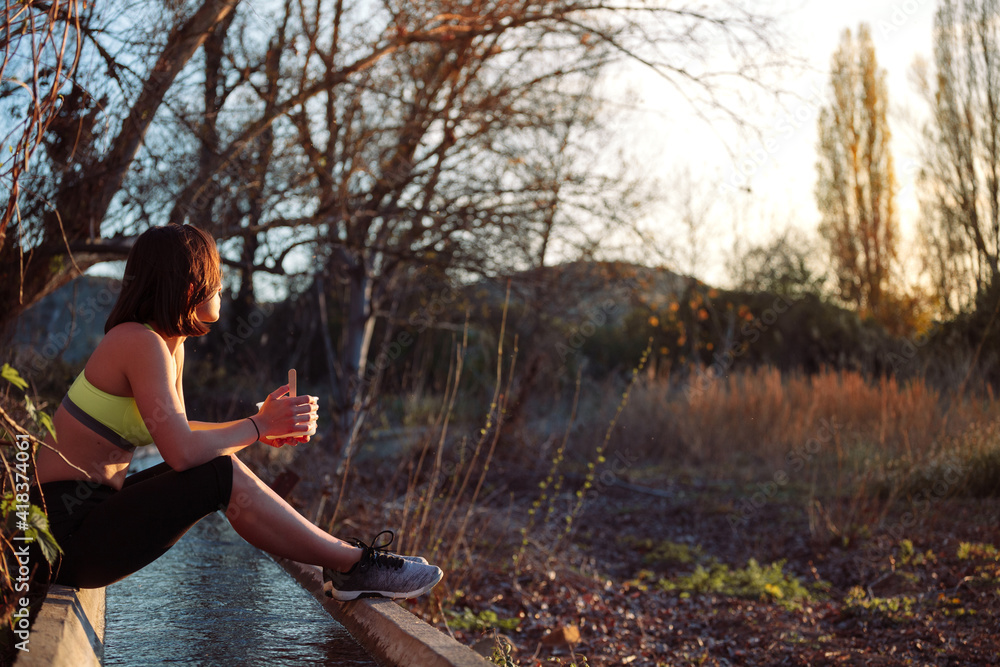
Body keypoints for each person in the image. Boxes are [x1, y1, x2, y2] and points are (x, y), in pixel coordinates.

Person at [30, 224, 442, 602]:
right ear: (193, 284)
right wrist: (258, 427)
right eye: (219, 282)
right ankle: (352, 564)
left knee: (216, 466)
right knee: (217, 474)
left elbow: (178, 431)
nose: (222, 290)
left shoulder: (168, 344)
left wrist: (263, 423)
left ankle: (348, 562)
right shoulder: (139, 342)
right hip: (59, 533)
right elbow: (183, 453)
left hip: (84, 522)